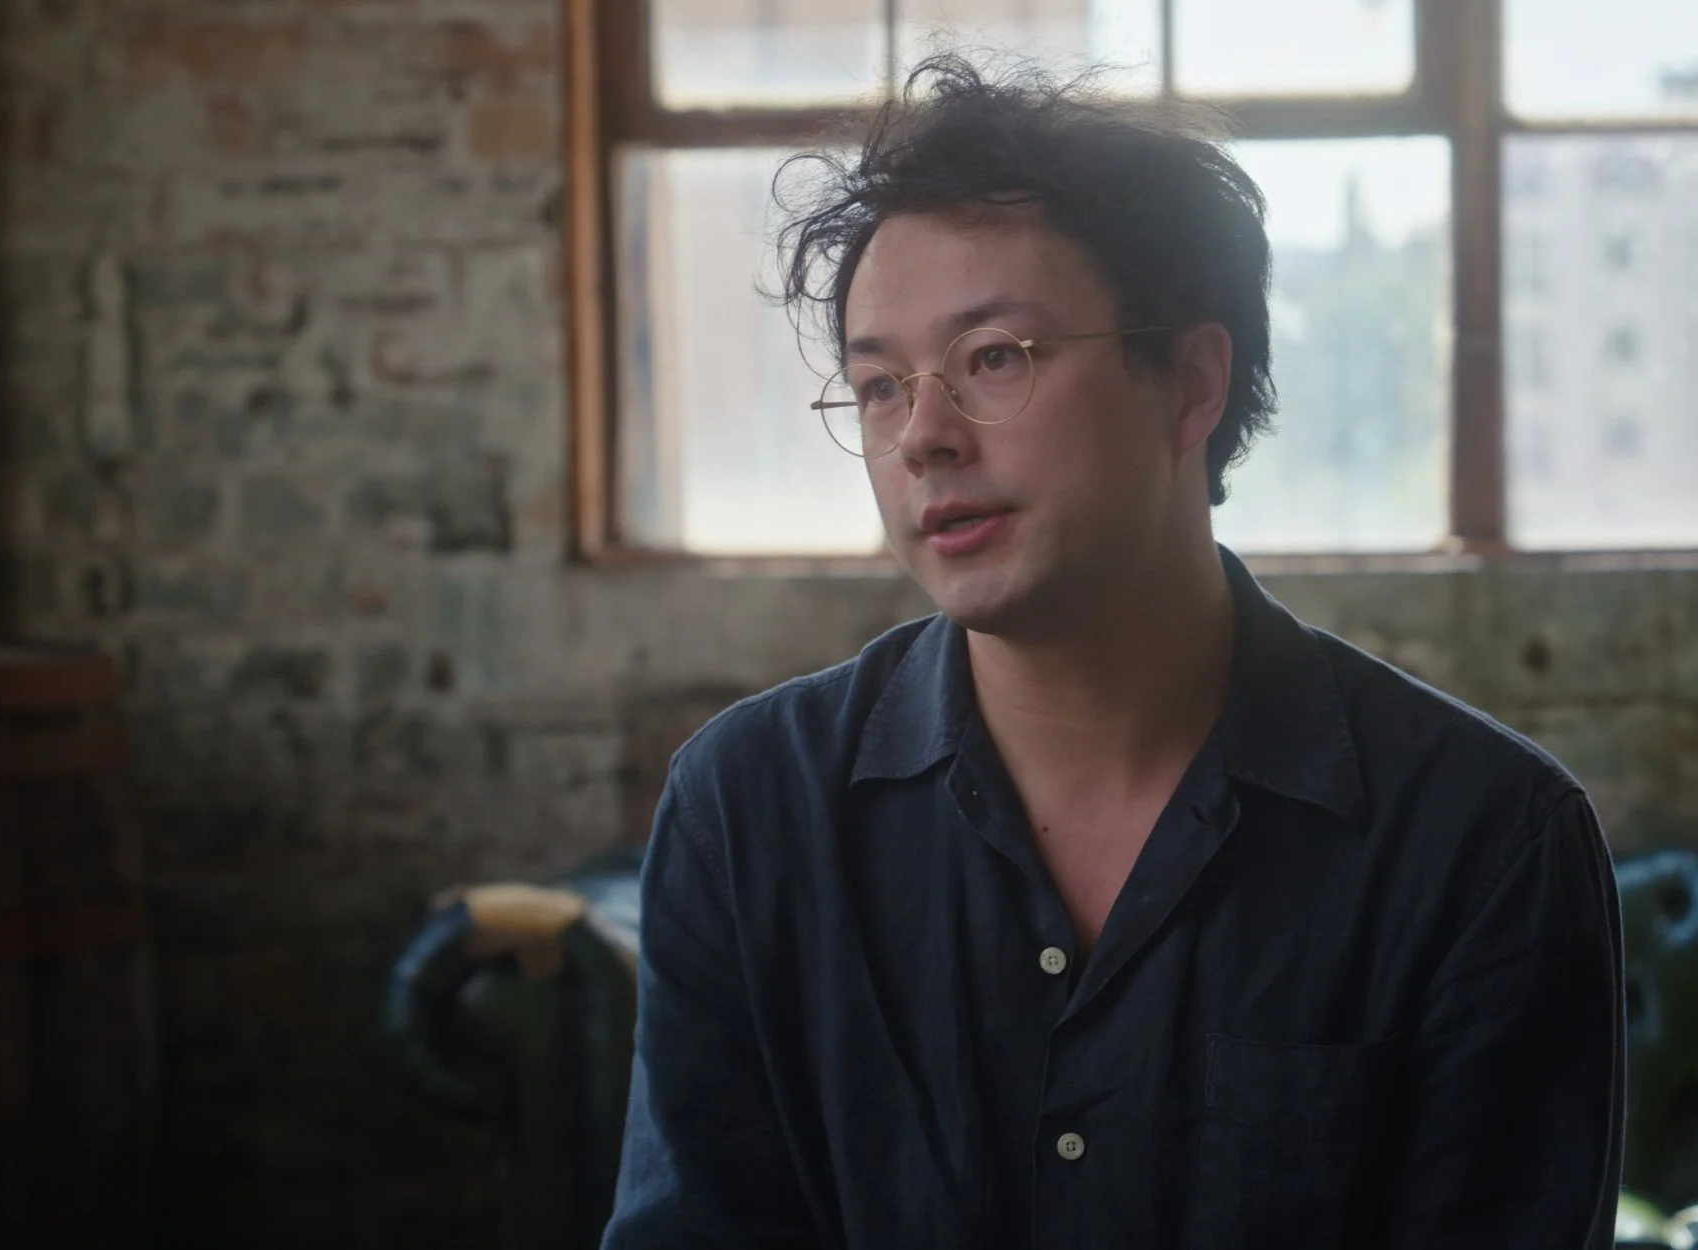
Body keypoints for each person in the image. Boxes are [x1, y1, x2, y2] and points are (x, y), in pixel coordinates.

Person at [603, 54, 1624, 1250]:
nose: (923, 437)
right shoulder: (749, 807)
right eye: (878, 386)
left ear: (1190, 381)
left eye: (994, 358)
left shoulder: (1480, 841)